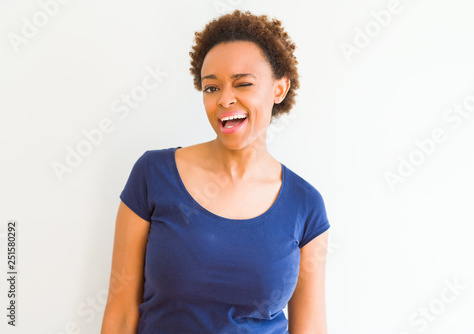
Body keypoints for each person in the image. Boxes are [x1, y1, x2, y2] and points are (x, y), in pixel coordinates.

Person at [101, 9, 330, 334]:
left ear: (278, 89)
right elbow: (120, 316)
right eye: (211, 88)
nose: (225, 99)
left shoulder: (306, 206)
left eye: (243, 83)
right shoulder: (153, 176)